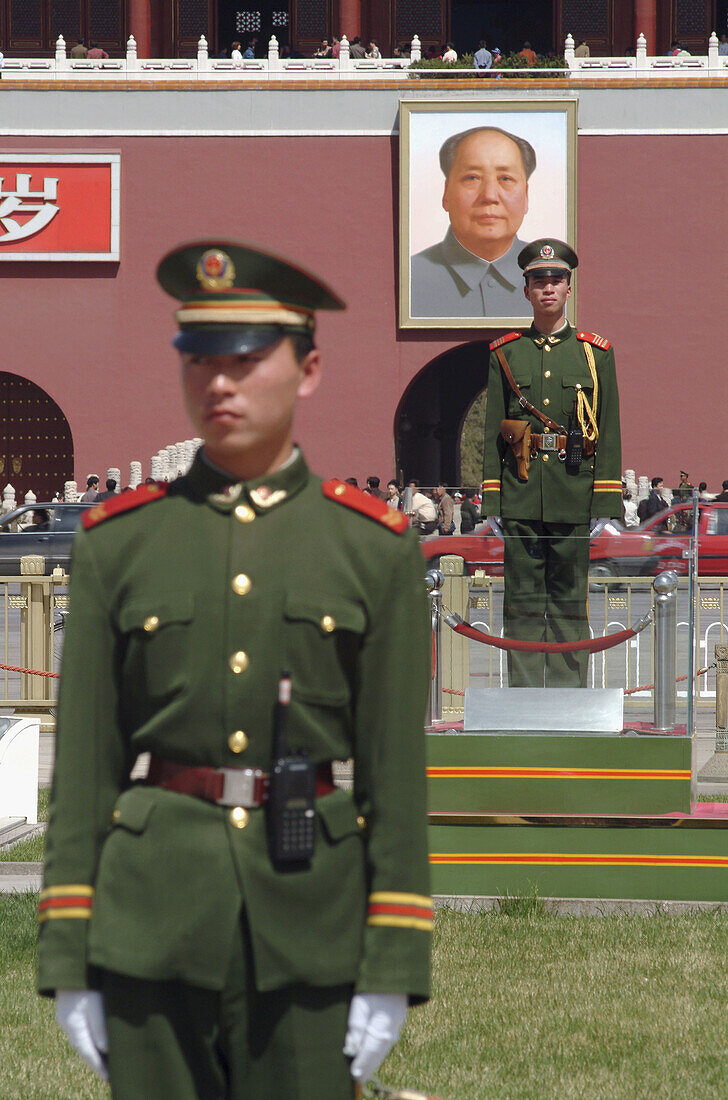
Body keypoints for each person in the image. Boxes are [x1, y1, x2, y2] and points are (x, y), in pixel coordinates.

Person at [37, 240, 432, 1099]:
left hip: (312, 921)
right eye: (200, 358)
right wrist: (70, 949)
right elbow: (84, 772)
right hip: (153, 919)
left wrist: (393, 955)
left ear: (310, 369)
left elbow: (396, 782)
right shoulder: (120, 544)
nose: (219, 383)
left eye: (248, 360)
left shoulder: (372, 548)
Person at [481, 238, 622, 688]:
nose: (547, 288)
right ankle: (524, 697)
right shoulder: (505, 352)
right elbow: (492, 431)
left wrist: (603, 501)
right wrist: (493, 501)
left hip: (572, 492)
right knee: (521, 602)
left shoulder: (594, 353)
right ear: (525, 290)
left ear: (568, 288)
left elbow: (609, 426)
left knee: (567, 602)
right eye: (538, 280)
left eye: (555, 280)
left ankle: (568, 698)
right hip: (520, 494)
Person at [410, 126, 536, 319]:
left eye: (505, 178)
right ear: (446, 194)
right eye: (472, 178)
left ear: (526, 196)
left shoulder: (552, 278)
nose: (489, 196)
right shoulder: (412, 278)